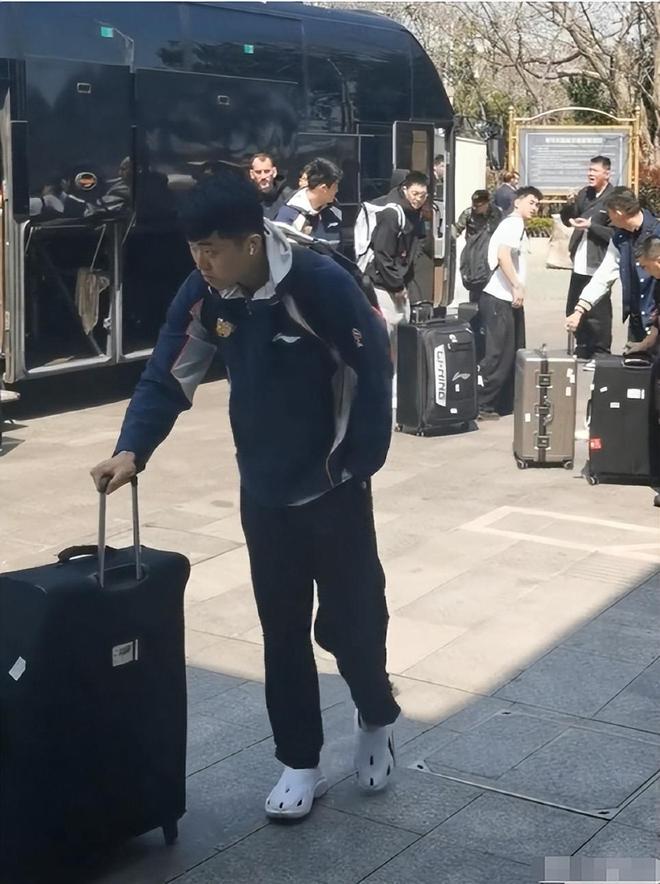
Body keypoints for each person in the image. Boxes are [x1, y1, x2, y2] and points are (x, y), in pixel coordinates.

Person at [90, 171, 399, 821]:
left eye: (213, 249)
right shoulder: (205, 293)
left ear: (252, 243)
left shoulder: (318, 284)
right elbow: (168, 374)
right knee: (281, 631)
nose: (201, 262)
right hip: (263, 489)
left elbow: (374, 368)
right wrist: (132, 449)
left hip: (335, 488)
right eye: (193, 249)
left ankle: (375, 716)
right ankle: (300, 760)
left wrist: (359, 461)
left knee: (353, 625)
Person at [565, 187, 660, 354]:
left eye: (609, 212)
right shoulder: (619, 238)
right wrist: (580, 308)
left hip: (655, 317)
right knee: (638, 366)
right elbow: (603, 275)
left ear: (618, 212)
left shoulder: (657, 231)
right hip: (637, 320)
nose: (608, 218)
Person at [478, 185, 542, 419]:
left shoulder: (515, 225)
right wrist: (516, 285)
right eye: (531, 202)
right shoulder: (513, 223)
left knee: (512, 351)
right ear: (517, 202)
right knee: (498, 354)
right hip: (499, 297)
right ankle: (483, 403)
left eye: (537, 204)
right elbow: (502, 255)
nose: (535, 208)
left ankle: (502, 402)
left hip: (505, 299)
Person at [365, 171, 429, 403]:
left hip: (398, 283)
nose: (419, 199)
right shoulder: (392, 214)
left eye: (423, 195)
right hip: (383, 285)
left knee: (399, 338)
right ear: (404, 189)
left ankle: (396, 392)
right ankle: (384, 393)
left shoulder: (414, 212)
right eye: (415, 194)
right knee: (387, 338)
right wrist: (396, 285)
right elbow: (382, 254)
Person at [560, 156, 614, 364]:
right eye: (589, 170)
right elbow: (568, 220)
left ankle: (600, 352)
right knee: (574, 304)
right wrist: (569, 204)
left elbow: (614, 233)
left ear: (607, 174)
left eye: (595, 171)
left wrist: (592, 226)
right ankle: (583, 345)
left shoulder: (613, 198)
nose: (590, 174)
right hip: (580, 259)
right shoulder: (585, 193)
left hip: (599, 261)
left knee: (598, 311)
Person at [454, 190, 502, 361]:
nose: (476, 208)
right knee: (474, 302)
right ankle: (476, 339)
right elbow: (456, 230)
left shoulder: (496, 214)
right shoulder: (468, 214)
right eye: (474, 204)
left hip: (490, 260)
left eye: (480, 205)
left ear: (487, 203)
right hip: (473, 261)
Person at [275, 157, 342, 246]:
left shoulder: (334, 211)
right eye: (335, 186)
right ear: (323, 188)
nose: (337, 190)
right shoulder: (288, 214)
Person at [249, 152, 293, 221]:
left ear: (274, 172)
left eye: (267, 171)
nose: (263, 176)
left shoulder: (289, 196)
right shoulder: (245, 198)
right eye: (258, 172)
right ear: (252, 174)